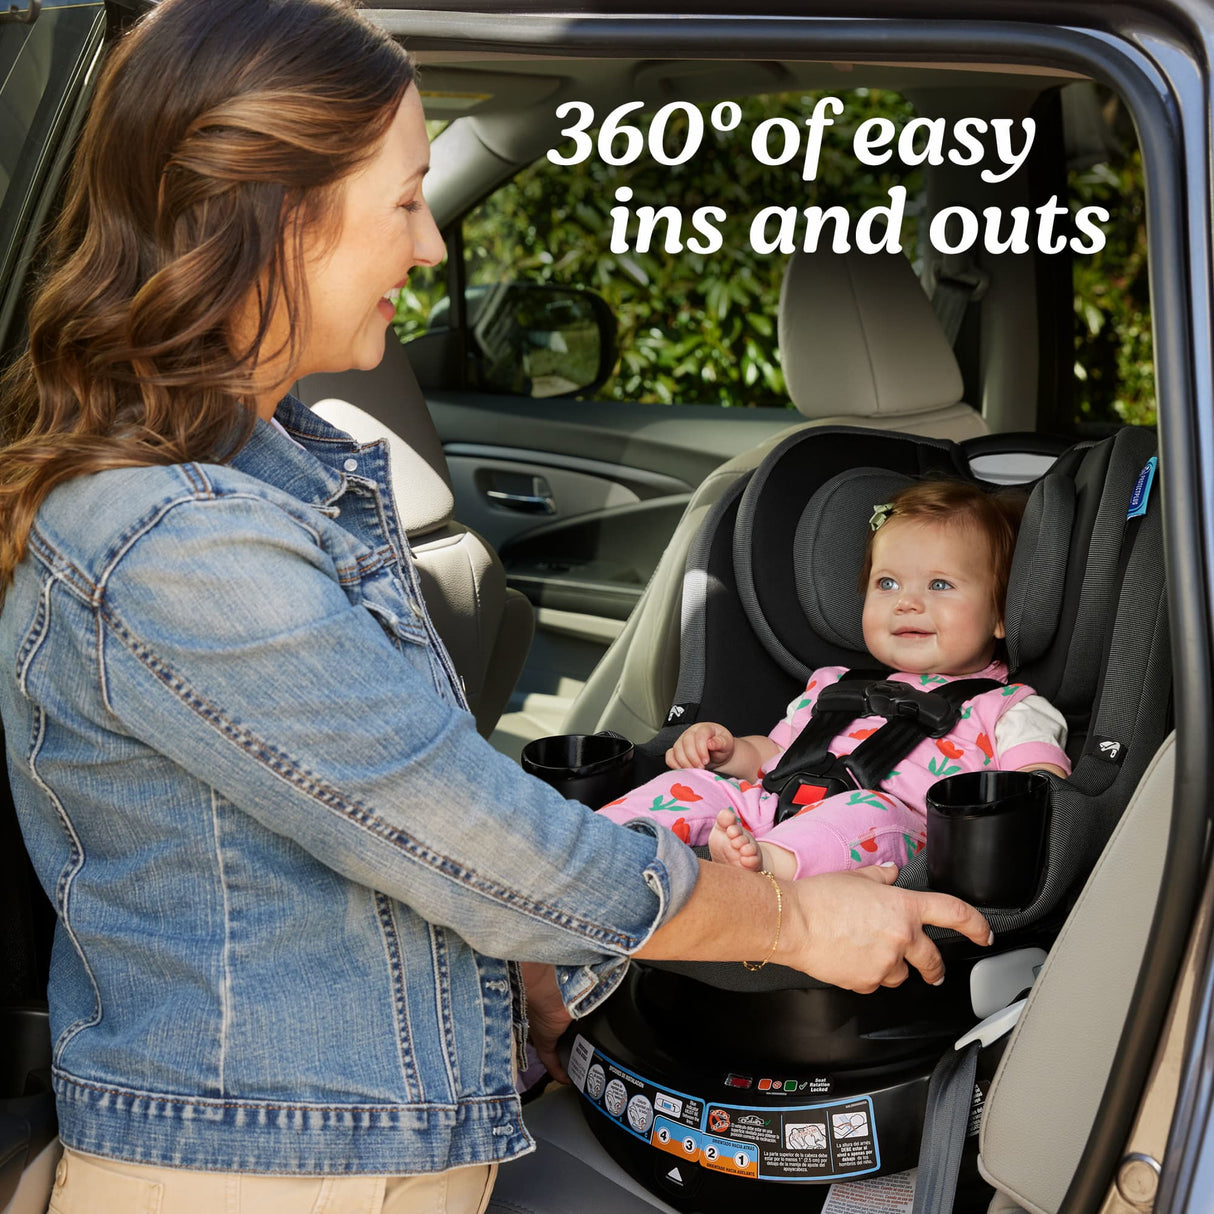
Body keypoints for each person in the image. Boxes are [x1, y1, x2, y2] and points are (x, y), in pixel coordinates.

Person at [0, 2, 992, 1210]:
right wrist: (790, 916)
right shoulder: (180, 541)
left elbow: (379, 832)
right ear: (279, 215)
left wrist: (529, 960)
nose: (428, 246)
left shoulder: (273, 470)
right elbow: (462, 833)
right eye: (406, 198)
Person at [599, 480, 1070, 879]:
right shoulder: (834, 685)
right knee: (696, 784)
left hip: (900, 832)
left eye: (940, 585)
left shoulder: (1010, 706)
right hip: (776, 804)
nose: (906, 602)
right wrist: (730, 752)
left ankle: (770, 865)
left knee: (868, 812)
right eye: (887, 584)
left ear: (1001, 615)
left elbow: (1040, 790)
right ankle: (601, 842)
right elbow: (778, 757)